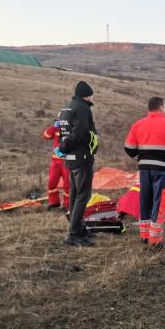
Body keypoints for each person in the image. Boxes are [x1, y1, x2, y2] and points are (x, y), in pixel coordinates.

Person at [124, 97, 165, 246]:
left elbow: (128, 147)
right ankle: (156, 241)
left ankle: (145, 236)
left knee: (145, 201)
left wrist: (141, 158)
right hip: (162, 171)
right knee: (159, 203)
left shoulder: (137, 125)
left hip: (144, 170)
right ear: (161, 107)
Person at [58, 81, 98, 246]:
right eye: (91, 95)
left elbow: (63, 132)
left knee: (75, 194)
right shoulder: (82, 108)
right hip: (82, 157)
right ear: (86, 95)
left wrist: (64, 147)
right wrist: (69, 146)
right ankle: (74, 234)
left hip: (71, 158)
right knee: (83, 195)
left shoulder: (67, 108)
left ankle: (78, 228)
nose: (92, 98)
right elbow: (80, 132)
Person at [41, 118, 70, 211]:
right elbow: (45, 135)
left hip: (67, 161)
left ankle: (67, 204)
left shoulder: (72, 129)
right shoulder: (56, 129)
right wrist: (54, 127)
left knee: (67, 185)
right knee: (51, 182)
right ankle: (54, 202)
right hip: (55, 162)